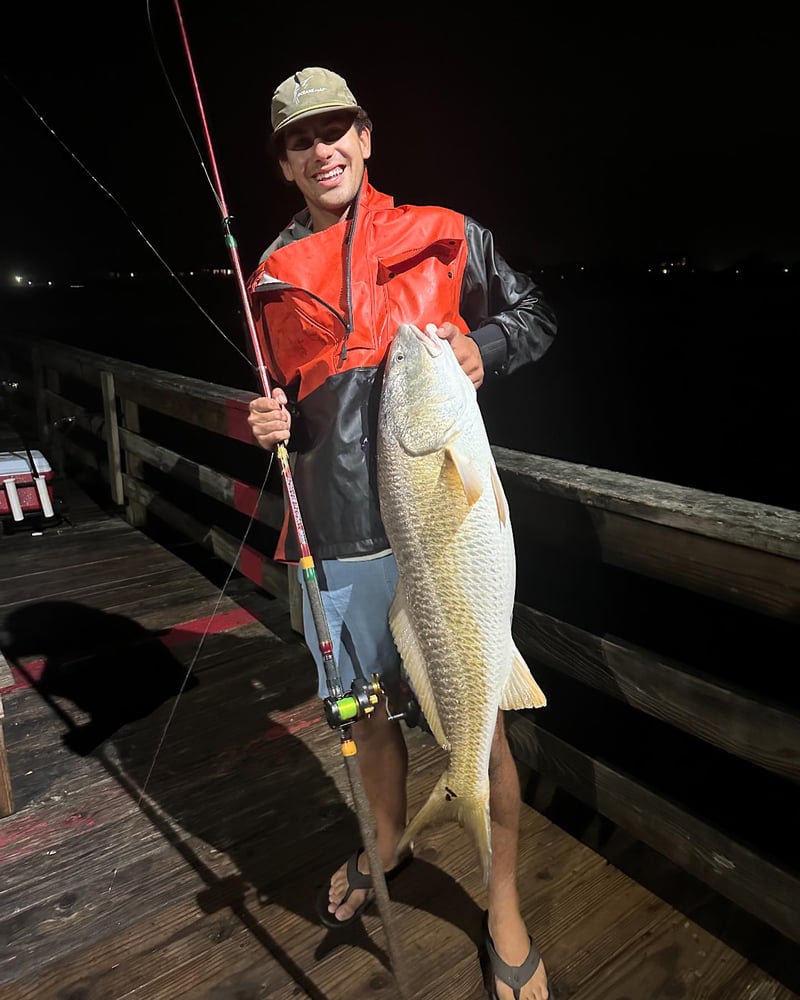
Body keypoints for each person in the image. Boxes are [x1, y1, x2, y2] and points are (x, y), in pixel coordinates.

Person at [246, 66, 557, 1000]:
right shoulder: (266, 276)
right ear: (287, 163)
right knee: (366, 716)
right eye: (302, 139)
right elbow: (273, 401)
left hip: (441, 529)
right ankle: (385, 837)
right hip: (334, 541)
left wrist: (482, 346)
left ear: (367, 137)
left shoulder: (444, 232)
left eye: (337, 128)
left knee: (480, 724)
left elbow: (535, 316)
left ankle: (503, 904)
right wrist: (256, 422)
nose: (323, 148)